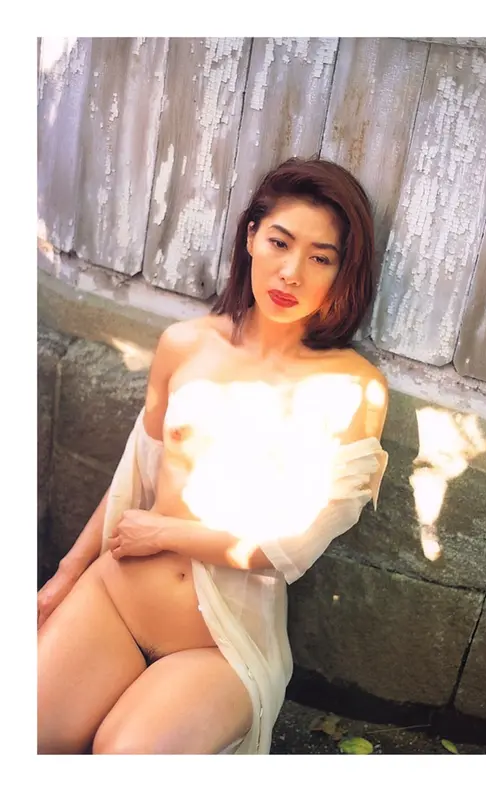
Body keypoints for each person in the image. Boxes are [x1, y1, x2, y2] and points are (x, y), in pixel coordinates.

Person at [37, 157, 390, 754]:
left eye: (320, 258)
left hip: (220, 643)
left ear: (342, 272)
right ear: (251, 236)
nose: (291, 272)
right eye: (279, 242)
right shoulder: (185, 344)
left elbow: (292, 546)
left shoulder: (354, 389)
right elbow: (134, 477)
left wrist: (166, 534)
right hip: (116, 598)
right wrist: (66, 576)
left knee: (122, 761)